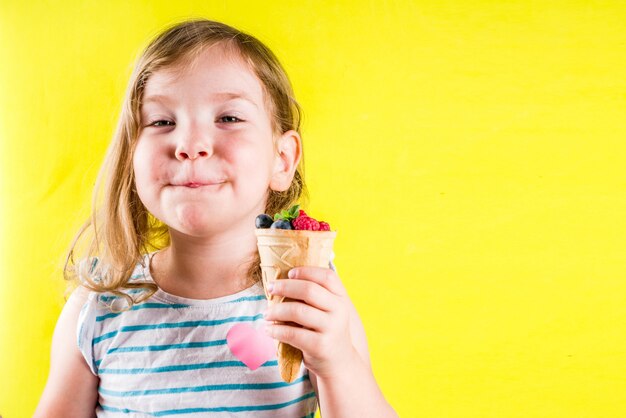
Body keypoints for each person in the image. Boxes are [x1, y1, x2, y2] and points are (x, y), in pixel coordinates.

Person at [34, 18, 398, 417]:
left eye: (228, 118)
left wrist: (336, 362)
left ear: (282, 159)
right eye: (161, 122)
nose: (190, 145)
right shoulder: (101, 303)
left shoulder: (307, 296)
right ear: (131, 158)